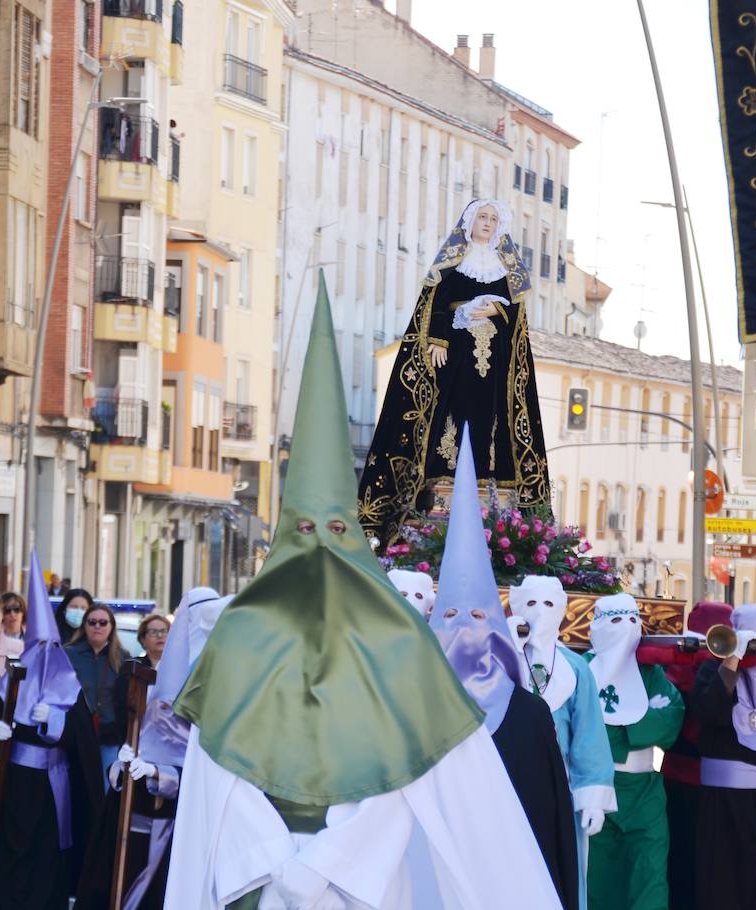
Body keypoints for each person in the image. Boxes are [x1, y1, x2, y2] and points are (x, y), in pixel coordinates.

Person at [165, 275, 562, 908]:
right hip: (257, 887)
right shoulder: (242, 636)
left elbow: (423, 777)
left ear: (355, 536)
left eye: (334, 529)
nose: (318, 549)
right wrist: (275, 865)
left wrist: (324, 866)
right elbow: (216, 779)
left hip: (360, 891)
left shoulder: (399, 645)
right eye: (302, 530)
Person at [428, 424, 580, 909]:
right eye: (450, 616)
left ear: (497, 627)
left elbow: (550, 823)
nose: (465, 633)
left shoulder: (530, 716)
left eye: (478, 617)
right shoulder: (413, 714)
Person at [359, 198, 547, 545]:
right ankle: (440, 481)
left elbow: (516, 319)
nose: (487, 223)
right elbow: (434, 303)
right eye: (482, 217)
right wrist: (439, 339)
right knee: (450, 414)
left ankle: (488, 485)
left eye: (493, 218)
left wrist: (496, 312)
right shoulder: (452, 262)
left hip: (496, 364)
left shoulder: (506, 268)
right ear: (470, 221)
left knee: (492, 418)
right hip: (454, 359)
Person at [0, 554, 103, 910]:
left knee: (47, 854)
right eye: (36, 647)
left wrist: (55, 724)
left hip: (51, 786)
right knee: (9, 849)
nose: (43, 655)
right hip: (12, 784)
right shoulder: (11, 684)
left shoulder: (69, 689)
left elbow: (82, 746)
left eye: (50, 648)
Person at [76, 587, 228, 910]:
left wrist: (165, 773)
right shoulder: (154, 676)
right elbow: (142, 729)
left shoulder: (219, 675)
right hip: (142, 798)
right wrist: (124, 761)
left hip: (191, 806)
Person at [510, 574, 616, 909]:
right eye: (530, 603)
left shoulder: (576, 669)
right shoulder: (501, 661)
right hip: (508, 787)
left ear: (562, 611)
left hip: (561, 791)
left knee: (559, 873)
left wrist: (593, 797)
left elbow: (589, 734)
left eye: (548, 604)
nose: (540, 612)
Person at [685, 603, 756, 910]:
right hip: (720, 802)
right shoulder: (713, 669)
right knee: (720, 884)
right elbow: (708, 711)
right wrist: (732, 660)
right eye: (754, 636)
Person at [584, 593, 685, 910]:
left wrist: (617, 728)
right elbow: (578, 727)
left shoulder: (651, 674)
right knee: (595, 881)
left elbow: (671, 722)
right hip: (593, 790)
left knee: (649, 879)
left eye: (632, 620)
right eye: (615, 621)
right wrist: (638, 725)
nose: (625, 629)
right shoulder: (583, 670)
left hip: (644, 794)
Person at [657, 600, 732, 910]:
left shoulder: (672, 670)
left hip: (680, 780)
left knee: (679, 861)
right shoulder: (706, 672)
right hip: (708, 784)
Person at [65, 601, 132, 774]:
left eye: (103, 622)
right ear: (84, 626)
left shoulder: (123, 658)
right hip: (75, 735)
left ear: (111, 627)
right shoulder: (68, 654)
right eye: (92, 622)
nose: (97, 626)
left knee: (105, 789)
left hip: (109, 735)